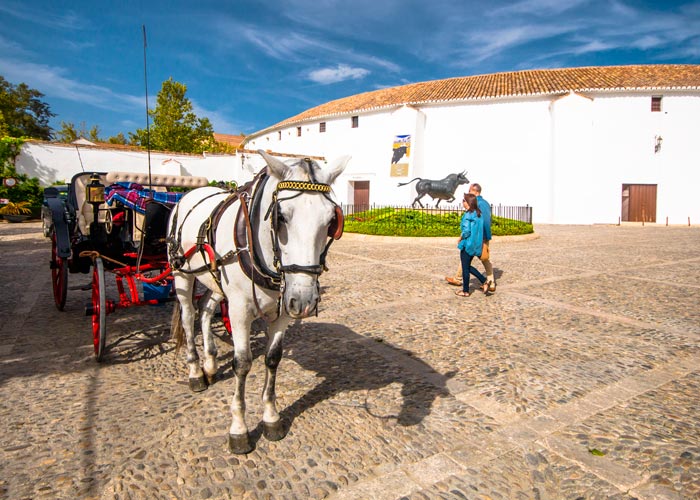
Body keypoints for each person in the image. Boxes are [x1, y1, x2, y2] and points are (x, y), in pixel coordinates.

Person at [445, 182, 496, 292]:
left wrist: (479, 236)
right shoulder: (486, 203)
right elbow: (488, 220)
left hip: (477, 237)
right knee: (469, 259)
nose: (468, 193)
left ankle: (489, 282)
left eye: (470, 190)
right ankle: (458, 278)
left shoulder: (477, 202)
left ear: (476, 192)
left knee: (482, 259)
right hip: (482, 235)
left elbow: (479, 221)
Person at [455, 193, 488, 297]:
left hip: (467, 244)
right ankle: (484, 281)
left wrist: (460, 238)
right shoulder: (479, 214)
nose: (462, 202)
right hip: (476, 245)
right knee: (467, 266)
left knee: (465, 268)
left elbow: (466, 231)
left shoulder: (468, 215)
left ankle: (465, 291)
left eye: (464, 200)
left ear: (468, 202)